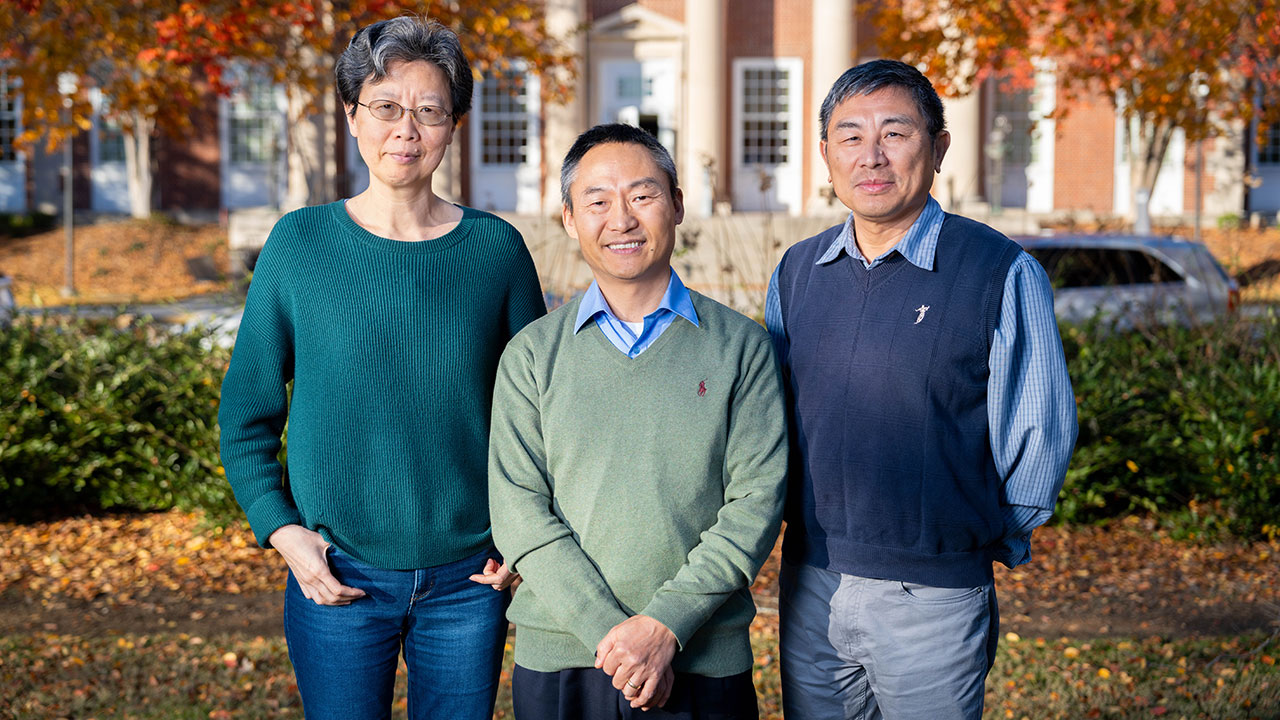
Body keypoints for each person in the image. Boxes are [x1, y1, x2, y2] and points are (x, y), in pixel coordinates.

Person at [217, 16, 546, 720]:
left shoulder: (497, 252)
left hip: (470, 579)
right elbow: (246, 412)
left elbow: (540, 418)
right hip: (334, 574)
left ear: (453, 125)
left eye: (428, 111)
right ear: (351, 115)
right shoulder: (299, 245)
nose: (406, 130)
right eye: (386, 107)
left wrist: (525, 539)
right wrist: (281, 529)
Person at [766, 59, 1077, 719]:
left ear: (938, 147)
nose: (870, 156)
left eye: (895, 134)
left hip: (932, 593)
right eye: (849, 136)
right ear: (825, 155)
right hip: (811, 583)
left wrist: (962, 540)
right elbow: (771, 422)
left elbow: (1037, 430)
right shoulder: (797, 271)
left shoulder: (998, 270)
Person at [487, 123, 787, 720]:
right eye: (597, 201)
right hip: (563, 657)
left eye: (642, 196)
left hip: (701, 656)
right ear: (570, 219)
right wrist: (615, 637)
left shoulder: (741, 348)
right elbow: (518, 509)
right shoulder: (531, 355)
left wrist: (664, 627)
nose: (620, 218)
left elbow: (757, 502)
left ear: (676, 204)